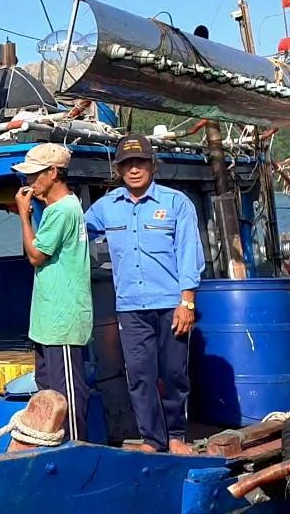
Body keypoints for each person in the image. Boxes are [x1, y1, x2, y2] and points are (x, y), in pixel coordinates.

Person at [84, 134, 204, 455]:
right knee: (139, 375)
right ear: (118, 169)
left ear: (152, 165)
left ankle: (176, 435)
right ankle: (152, 439)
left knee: (174, 373)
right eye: (127, 164)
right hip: (130, 307)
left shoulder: (176, 203)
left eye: (140, 163)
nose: (134, 169)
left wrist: (187, 301)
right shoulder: (106, 207)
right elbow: (75, 230)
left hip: (171, 305)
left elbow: (189, 253)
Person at [12, 142, 92, 442]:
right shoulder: (59, 209)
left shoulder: (61, 210)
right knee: (49, 391)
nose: (29, 181)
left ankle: (74, 448)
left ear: (54, 173)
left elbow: (35, 255)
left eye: (35, 175)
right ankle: (57, 447)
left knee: (65, 399)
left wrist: (23, 216)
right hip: (49, 324)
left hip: (62, 323)